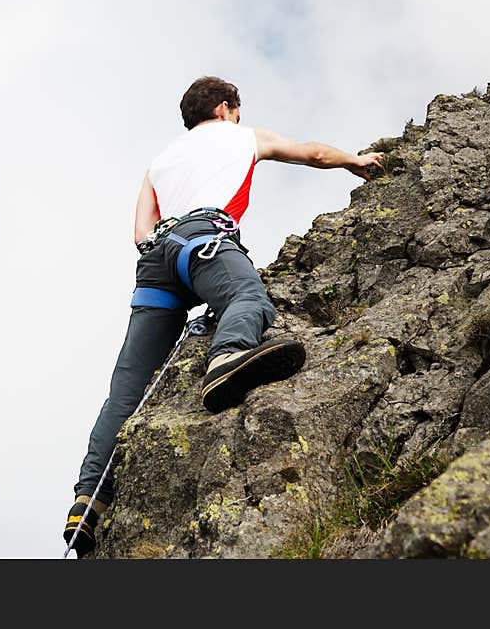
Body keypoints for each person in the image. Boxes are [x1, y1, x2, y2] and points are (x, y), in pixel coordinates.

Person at [63, 76, 384, 557]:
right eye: (235, 109)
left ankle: (88, 501)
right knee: (249, 298)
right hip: (205, 240)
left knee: (127, 389)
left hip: (156, 262)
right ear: (225, 107)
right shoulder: (240, 134)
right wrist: (356, 161)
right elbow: (312, 153)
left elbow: (139, 231)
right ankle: (226, 357)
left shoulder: (160, 161)